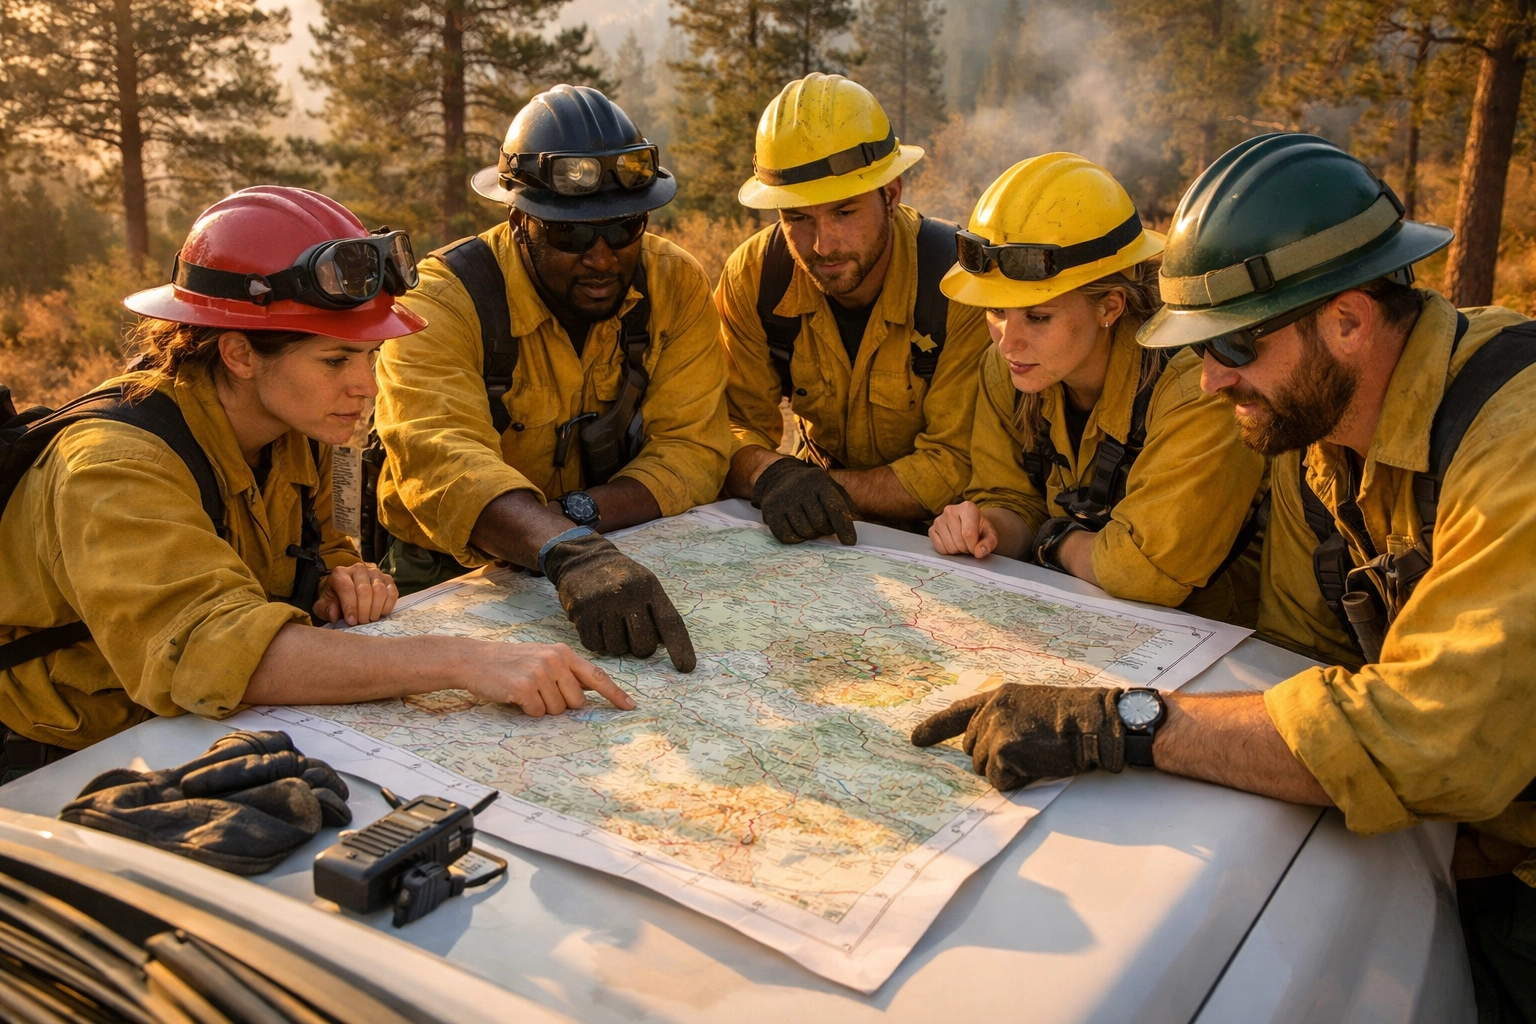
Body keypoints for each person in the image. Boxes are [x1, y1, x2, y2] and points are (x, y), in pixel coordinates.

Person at [910, 134, 1536, 1019]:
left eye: (1233, 346)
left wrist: (1122, 722)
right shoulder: (1315, 438)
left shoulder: (1515, 445)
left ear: (1349, 320)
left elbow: (1431, 741)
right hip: (1458, 850)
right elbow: (1299, 660)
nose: (1206, 383)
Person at [0, 186, 632, 781]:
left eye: (369, 356)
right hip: (60, 760)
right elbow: (206, 649)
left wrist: (341, 577)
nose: (364, 386)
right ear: (239, 353)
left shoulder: (292, 420)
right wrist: (467, 660)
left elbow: (321, 548)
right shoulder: (114, 467)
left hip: (196, 732)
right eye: (336, 359)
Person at [373, 84, 727, 672]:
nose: (602, 255)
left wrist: (577, 521)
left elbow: (694, 448)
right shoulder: (442, 302)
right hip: (452, 568)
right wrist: (563, 546)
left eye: (624, 227)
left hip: (614, 546)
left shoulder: (674, 283)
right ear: (518, 220)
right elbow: (441, 457)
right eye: (570, 233)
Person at [926, 154, 1265, 622]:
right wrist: (984, 528)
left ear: (1109, 306)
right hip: (1084, 622)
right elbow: (1010, 497)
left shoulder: (1196, 389)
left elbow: (1142, 572)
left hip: (1222, 643)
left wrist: (1055, 541)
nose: (1009, 340)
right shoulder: (1008, 368)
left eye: (1038, 317)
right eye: (996, 311)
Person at [716, 73, 992, 544]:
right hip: (817, 529)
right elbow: (728, 429)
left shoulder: (960, 286)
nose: (823, 245)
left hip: (943, 538)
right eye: (797, 218)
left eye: (844, 213)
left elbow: (953, 463)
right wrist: (774, 474)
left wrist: (808, 486)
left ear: (892, 193)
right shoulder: (756, 276)